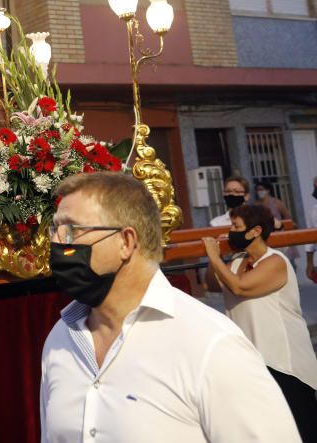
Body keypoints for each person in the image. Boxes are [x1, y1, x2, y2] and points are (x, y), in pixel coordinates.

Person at [40, 172, 299, 442]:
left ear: (126, 242)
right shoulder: (60, 339)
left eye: (72, 229)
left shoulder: (211, 345)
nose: (57, 242)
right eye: (54, 229)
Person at [203, 204, 317, 441]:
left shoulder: (275, 261)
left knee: (300, 432)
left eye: (236, 227)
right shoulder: (237, 261)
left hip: (285, 364)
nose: (230, 232)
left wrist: (215, 257)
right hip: (253, 360)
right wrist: (215, 259)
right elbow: (211, 284)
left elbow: (239, 287)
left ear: (255, 231)